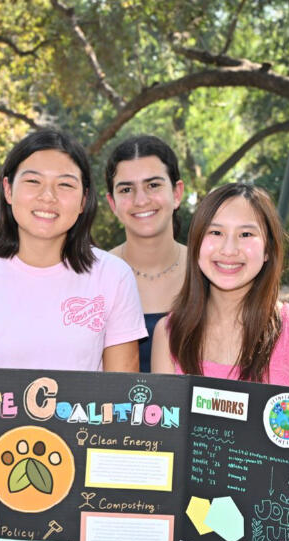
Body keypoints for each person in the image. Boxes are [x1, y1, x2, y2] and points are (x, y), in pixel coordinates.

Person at [0, 129, 145, 372]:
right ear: (8, 190)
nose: (48, 196)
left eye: (64, 184)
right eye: (33, 181)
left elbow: (122, 397)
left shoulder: (114, 276)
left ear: (84, 199)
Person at [151, 183, 289, 389]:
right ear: (196, 243)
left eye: (245, 234)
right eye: (216, 232)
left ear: (268, 250)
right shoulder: (169, 334)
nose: (229, 250)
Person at [105, 136, 187, 372]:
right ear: (113, 203)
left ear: (177, 193)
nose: (141, 200)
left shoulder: (210, 273)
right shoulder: (95, 277)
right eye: (126, 189)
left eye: (153, 185)